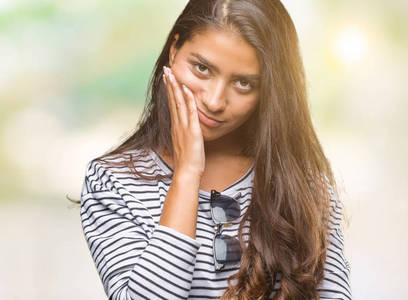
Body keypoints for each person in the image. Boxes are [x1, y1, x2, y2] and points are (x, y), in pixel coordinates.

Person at [78, 0, 351, 299]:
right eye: (202, 68)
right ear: (174, 50)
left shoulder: (301, 183)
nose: (215, 101)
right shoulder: (114, 181)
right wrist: (187, 175)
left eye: (244, 83)